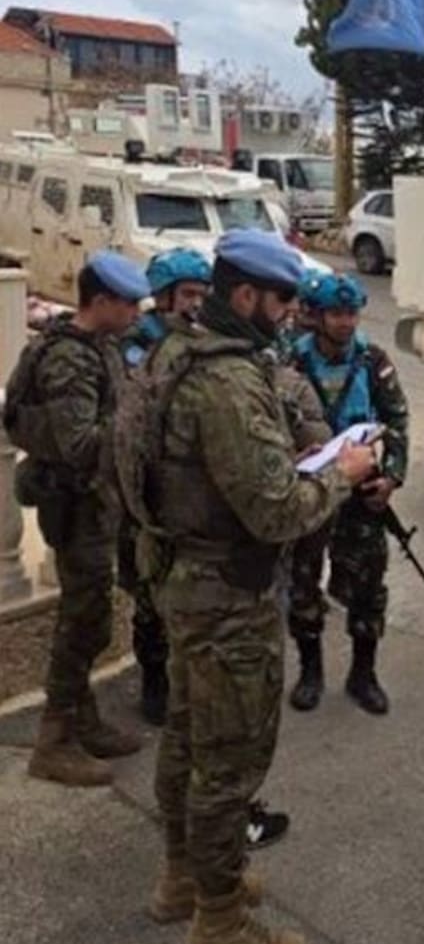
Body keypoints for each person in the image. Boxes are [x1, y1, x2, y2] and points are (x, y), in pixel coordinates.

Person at [122, 229, 376, 944]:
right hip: (227, 598)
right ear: (244, 296)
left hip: (184, 578)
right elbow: (276, 512)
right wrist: (341, 472)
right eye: (281, 299)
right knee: (228, 765)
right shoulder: (228, 382)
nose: (292, 312)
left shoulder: (175, 350)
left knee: (189, 738)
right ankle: (220, 925)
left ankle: (186, 878)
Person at [4, 251, 148, 787]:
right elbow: (80, 444)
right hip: (76, 506)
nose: (135, 312)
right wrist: (137, 426)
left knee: (90, 616)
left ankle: (81, 720)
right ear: (101, 301)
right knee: (83, 620)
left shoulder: (97, 346)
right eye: (128, 303)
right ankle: (54, 740)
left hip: (95, 504)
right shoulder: (69, 359)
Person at [287, 272, 410, 715]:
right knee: (303, 583)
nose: (345, 322)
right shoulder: (292, 361)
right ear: (318, 317)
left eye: (352, 314)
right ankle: (310, 671)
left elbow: (397, 421)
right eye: (337, 314)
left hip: (361, 491)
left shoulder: (372, 361)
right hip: (310, 488)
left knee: (367, 586)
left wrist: (391, 477)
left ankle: (363, 674)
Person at [118, 248, 213, 726]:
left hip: (186, 493)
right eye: (188, 294)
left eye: (202, 295)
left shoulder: (201, 341)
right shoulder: (137, 344)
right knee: (148, 595)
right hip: (144, 492)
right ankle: (153, 678)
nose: (196, 304)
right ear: (162, 296)